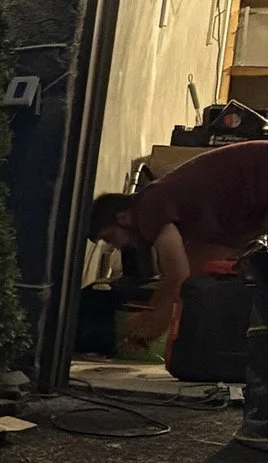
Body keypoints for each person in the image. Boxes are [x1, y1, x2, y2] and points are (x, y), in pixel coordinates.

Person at [89, 141, 268, 446]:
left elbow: (177, 275)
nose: (118, 247)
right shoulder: (178, 211)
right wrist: (153, 314)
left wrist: (154, 321)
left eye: (110, 238)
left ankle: (262, 424)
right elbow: (188, 272)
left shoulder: (149, 204)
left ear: (121, 217)